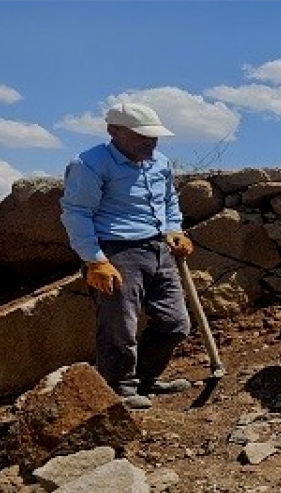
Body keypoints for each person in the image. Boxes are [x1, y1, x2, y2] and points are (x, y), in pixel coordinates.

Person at [60, 102, 194, 410]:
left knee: (175, 323)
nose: (151, 142)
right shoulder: (89, 164)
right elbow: (77, 213)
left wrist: (175, 228)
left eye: (154, 137)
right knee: (119, 326)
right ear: (114, 132)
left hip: (159, 248)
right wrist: (95, 260)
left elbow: (169, 200)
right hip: (115, 251)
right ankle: (118, 387)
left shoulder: (159, 162)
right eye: (142, 136)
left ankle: (145, 379)